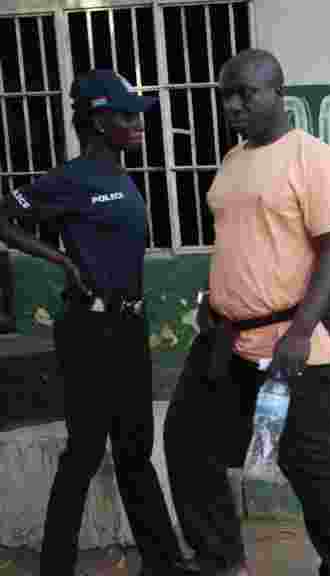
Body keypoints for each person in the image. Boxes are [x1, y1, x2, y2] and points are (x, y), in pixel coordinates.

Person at [162, 49, 330, 576]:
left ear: (278, 93)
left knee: (307, 462)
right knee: (187, 442)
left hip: (288, 345)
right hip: (226, 341)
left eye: (245, 94)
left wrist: (301, 332)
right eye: (225, 95)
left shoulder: (312, 158)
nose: (233, 105)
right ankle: (221, 560)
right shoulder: (234, 160)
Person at [0, 70, 197, 576]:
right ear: (96, 119)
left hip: (129, 328)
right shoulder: (70, 178)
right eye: (126, 115)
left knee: (135, 452)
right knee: (85, 453)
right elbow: (4, 216)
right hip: (88, 332)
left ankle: (164, 564)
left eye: (139, 114)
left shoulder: (121, 174)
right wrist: (62, 261)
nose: (138, 123)